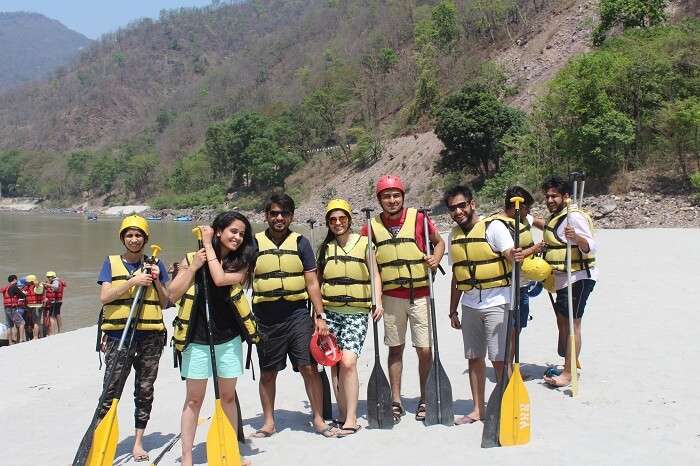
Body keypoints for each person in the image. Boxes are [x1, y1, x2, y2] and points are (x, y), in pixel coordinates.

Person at [169, 212, 255, 466]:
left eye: (242, 233)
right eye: (233, 231)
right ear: (219, 231)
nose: (238, 237)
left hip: (227, 339)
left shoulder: (241, 262)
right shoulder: (191, 258)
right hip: (196, 338)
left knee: (227, 397)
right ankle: (186, 458)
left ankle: (231, 452)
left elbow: (219, 279)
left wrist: (207, 245)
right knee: (194, 399)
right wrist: (194, 266)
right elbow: (172, 295)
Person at [359, 175, 445, 423]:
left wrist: (436, 258)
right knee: (395, 349)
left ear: (403, 197)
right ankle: (395, 400)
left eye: (396, 195)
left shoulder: (419, 219)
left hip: (420, 294)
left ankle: (425, 398)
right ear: (379, 200)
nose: (392, 200)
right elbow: (359, 252)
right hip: (390, 297)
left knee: (424, 349)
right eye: (386, 196)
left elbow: (438, 243)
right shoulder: (371, 226)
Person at [251, 193, 336, 438]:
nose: (279, 218)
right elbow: (237, 276)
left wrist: (319, 316)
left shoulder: (301, 243)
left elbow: (312, 284)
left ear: (291, 216)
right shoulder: (254, 244)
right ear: (266, 216)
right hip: (265, 317)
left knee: (309, 367)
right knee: (268, 372)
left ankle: (319, 419)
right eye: (274, 213)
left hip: (297, 314)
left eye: (284, 213)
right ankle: (268, 422)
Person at [445, 185, 525, 424]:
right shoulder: (453, 236)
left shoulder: (494, 227)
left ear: (472, 204)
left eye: (462, 205)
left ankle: (507, 405)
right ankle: (478, 409)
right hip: (469, 304)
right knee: (474, 357)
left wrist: (515, 255)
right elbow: (458, 275)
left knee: (500, 359)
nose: (458, 211)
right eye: (453, 208)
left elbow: (509, 252)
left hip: (498, 301)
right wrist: (452, 310)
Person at [96, 215, 169, 462]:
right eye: (129, 235)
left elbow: (165, 301)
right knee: (111, 388)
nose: (134, 239)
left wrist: (157, 280)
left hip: (150, 336)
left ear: (146, 239)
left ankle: (138, 442)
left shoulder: (157, 263)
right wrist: (133, 281)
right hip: (119, 335)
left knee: (144, 389)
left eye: (139, 235)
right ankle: (101, 438)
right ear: (122, 238)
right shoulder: (111, 262)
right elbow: (105, 296)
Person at [317, 199, 384, 436]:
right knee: (334, 363)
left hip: (356, 312)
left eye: (342, 218)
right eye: (333, 220)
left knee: (348, 362)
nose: (337, 223)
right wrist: (318, 316)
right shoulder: (325, 248)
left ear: (349, 219)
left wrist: (378, 301)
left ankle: (352, 419)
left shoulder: (365, 244)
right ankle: (343, 414)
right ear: (328, 223)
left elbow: (375, 275)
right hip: (331, 313)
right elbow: (316, 283)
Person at [537, 176, 597, 388]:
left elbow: (591, 246)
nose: (550, 199)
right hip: (562, 279)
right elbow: (552, 231)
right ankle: (569, 361)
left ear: (566, 197)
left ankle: (569, 373)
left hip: (578, 277)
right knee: (563, 322)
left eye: (554, 196)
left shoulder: (574, 217)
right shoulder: (558, 217)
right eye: (548, 196)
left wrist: (578, 238)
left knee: (573, 324)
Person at [2, 275, 24, 344]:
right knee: (22, 323)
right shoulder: (14, 286)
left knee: (9, 326)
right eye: (16, 280)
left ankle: (10, 342)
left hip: (6, 308)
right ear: (14, 280)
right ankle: (21, 339)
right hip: (12, 308)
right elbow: (22, 295)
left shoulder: (6, 287)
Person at [43, 271, 66, 335]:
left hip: (54, 301)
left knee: (51, 317)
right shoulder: (59, 281)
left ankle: (53, 333)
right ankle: (60, 331)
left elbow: (56, 287)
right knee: (58, 315)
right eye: (47, 277)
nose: (48, 278)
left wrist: (47, 284)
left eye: (49, 277)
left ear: (53, 276)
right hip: (59, 301)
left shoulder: (55, 281)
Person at [24, 275, 44, 340]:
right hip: (34, 305)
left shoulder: (28, 287)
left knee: (35, 321)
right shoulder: (34, 287)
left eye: (28, 281)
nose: (27, 283)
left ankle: (36, 336)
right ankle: (38, 336)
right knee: (36, 321)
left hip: (33, 305)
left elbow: (39, 292)